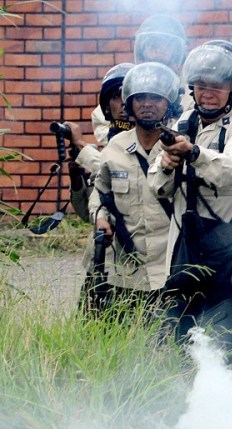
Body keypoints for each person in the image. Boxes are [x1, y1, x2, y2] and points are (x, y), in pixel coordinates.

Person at [147, 41, 232, 354]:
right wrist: (167, 165)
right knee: (177, 334)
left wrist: (194, 153)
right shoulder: (184, 123)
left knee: (225, 339)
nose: (208, 93)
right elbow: (157, 185)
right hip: (189, 245)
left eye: (218, 86)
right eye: (201, 85)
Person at [87, 61, 182, 304]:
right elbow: (101, 193)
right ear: (130, 104)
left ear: (168, 104)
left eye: (156, 98)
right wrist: (99, 217)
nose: (147, 104)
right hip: (126, 272)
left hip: (172, 269)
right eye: (140, 98)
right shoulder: (115, 148)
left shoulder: (183, 146)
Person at [91, 14, 188, 145]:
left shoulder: (190, 92)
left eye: (165, 47)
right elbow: (102, 122)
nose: (158, 53)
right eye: (152, 46)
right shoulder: (130, 83)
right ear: (142, 50)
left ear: (178, 53)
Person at [65, 62, 135, 222]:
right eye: (117, 97)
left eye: (128, 95)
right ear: (107, 107)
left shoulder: (152, 139)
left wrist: (81, 146)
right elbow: (86, 214)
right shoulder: (109, 145)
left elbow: (123, 173)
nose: (123, 103)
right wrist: (77, 179)